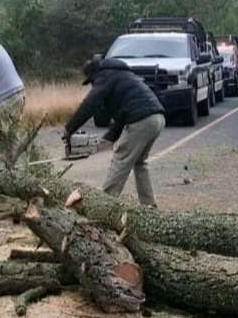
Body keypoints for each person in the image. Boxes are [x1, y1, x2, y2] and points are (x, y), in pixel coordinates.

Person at [63, 57, 166, 206]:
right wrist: (106, 140)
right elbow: (122, 117)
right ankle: (148, 204)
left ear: (94, 75)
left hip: (141, 120)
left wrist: (69, 129)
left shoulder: (104, 76)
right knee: (139, 162)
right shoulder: (121, 75)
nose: (93, 85)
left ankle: (105, 204)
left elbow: (89, 104)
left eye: (91, 82)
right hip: (157, 118)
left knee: (121, 158)